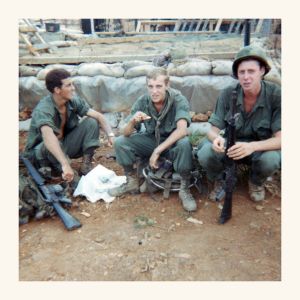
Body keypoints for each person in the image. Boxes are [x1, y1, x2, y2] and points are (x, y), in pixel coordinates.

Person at [197, 45, 281, 202]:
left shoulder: (276, 95)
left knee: (271, 159)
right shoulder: (228, 93)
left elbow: (282, 139)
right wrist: (217, 139)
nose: (246, 77)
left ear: (262, 71)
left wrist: (252, 146)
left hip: (258, 149)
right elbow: (212, 130)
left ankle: (256, 181)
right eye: (242, 72)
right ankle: (221, 179)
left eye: (251, 71)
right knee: (206, 151)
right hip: (231, 147)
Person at [108, 67, 197, 212]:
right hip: (151, 141)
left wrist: (157, 151)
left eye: (159, 86)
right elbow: (124, 133)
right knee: (120, 142)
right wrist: (133, 122)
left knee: (184, 143)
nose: (154, 91)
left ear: (167, 85)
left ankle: (184, 188)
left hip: (172, 144)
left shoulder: (178, 99)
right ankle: (131, 181)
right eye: (150, 86)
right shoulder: (143, 101)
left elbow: (182, 130)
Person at [24, 68, 115, 184]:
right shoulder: (44, 109)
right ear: (57, 90)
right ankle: (66, 172)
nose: (73, 88)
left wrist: (110, 135)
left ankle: (85, 165)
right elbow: (48, 137)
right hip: (41, 155)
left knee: (91, 121)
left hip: (62, 146)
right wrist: (65, 165)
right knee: (77, 183)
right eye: (68, 85)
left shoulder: (72, 101)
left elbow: (98, 116)